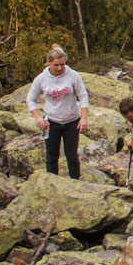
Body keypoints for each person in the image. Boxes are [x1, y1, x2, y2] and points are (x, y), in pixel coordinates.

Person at [26, 44, 89, 179]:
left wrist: (83, 118)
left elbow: (83, 96)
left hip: (71, 121)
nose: (60, 68)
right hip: (51, 122)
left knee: (72, 155)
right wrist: (38, 118)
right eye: (56, 65)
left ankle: (76, 183)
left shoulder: (73, 75)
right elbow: (31, 100)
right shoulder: (41, 79)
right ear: (48, 63)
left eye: (62, 64)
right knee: (52, 155)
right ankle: (52, 183)